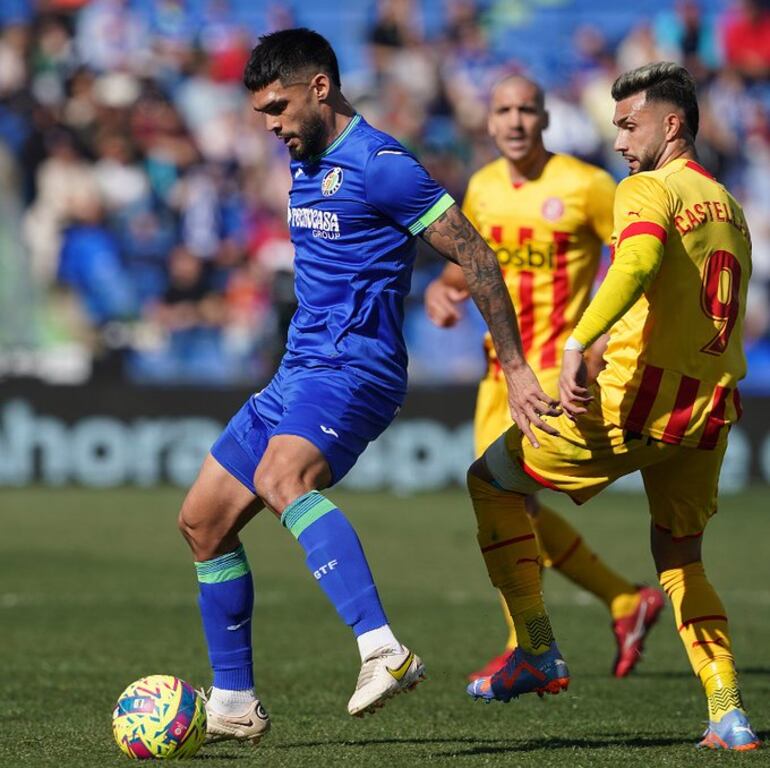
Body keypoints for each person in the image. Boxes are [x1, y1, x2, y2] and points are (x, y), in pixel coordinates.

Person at [177, 28, 558, 747]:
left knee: (281, 477)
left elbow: (477, 255)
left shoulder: (383, 166)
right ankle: (232, 701)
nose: (270, 125)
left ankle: (383, 648)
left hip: (357, 369)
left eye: (277, 106)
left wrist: (513, 367)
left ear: (320, 87)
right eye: (261, 112)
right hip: (297, 370)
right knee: (202, 522)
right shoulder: (303, 156)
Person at [464, 62, 759, 751]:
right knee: (680, 559)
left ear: (672, 124)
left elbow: (634, 263)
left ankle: (536, 647)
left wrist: (579, 342)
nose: (619, 140)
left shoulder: (645, 188)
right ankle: (728, 712)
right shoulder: (727, 203)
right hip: (706, 412)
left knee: (491, 481)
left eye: (629, 125)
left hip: (633, 404)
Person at [425, 74, 663, 682]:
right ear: (488, 121)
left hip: (553, 372)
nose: (515, 121)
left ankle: (527, 645)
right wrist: (442, 289)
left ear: (545, 118)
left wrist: (604, 338)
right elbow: (470, 266)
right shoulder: (482, 187)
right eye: (503, 110)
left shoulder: (586, 186)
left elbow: (638, 258)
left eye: (527, 109)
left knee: (507, 499)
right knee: (512, 502)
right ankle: (623, 600)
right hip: (497, 371)